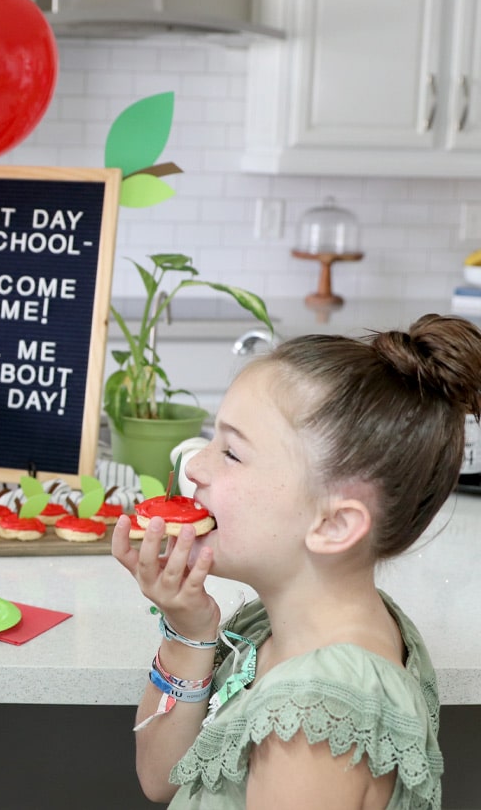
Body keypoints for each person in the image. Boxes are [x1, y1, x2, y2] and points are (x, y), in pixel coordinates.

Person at [112, 313, 481, 809]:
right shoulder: (274, 625)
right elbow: (162, 779)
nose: (195, 467)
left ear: (334, 526)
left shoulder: (318, 714)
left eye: (232, 453)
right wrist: (189, 628)